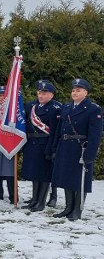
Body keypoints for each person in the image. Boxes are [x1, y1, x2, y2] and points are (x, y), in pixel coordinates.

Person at [50, 79, 103, 221]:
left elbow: (96, 134)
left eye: (78, 90)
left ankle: (77, 210)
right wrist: (55, 147)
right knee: (66, 178)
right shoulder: (67, 107)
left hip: (81, 148)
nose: (75, 92)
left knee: (80, 179)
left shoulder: (93, 109)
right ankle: (68, 207)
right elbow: (59, 130)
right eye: (73, 90)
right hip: (65, 147)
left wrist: (90, 154)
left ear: (86, 93)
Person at [22, 80, 62, 211]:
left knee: (44, 175)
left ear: (52, 95)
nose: (41, 96)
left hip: (45, 144)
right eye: (39, 93)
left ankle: (41, 202)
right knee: (34, 174)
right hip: (33, 143)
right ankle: (34, 199)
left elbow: (54, 132)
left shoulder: (54, 109)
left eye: (44, 93)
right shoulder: (33, 106)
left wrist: (51, 149)